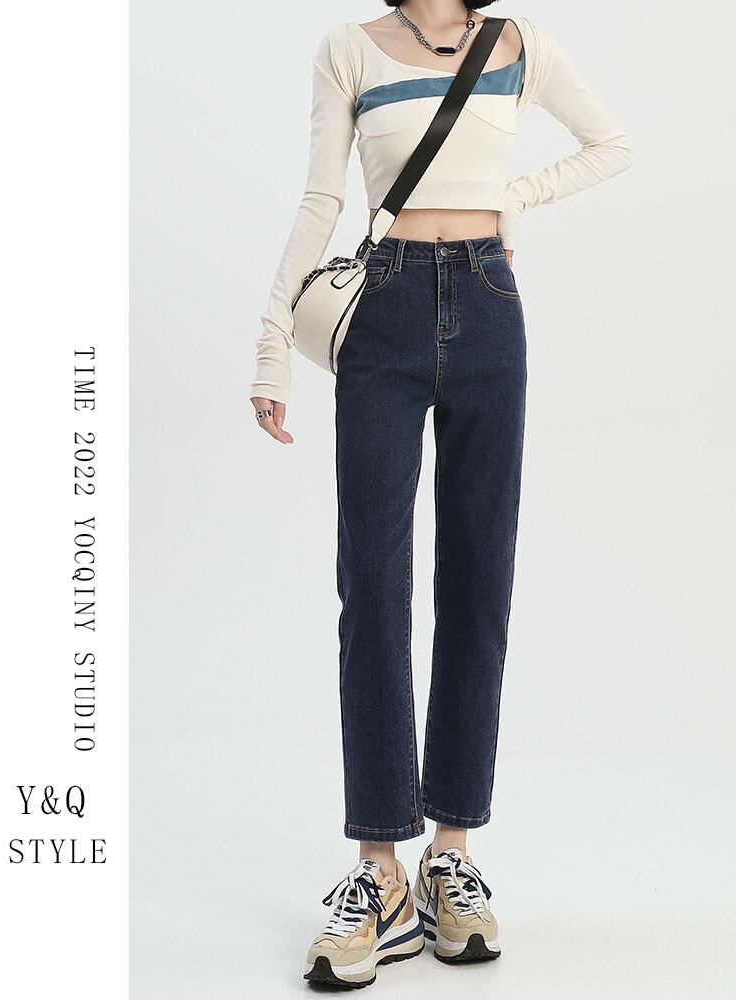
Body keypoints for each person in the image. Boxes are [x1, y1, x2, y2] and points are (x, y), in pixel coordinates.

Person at [250, 1, 633, 988]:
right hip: (381, 308)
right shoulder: (348, 49)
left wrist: (515, 201)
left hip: (491, 308)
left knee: (477, 583)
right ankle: (378, 869)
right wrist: (271, 343)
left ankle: (449, 856)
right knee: (372, 585)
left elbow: (611, 144)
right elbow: (319, 199)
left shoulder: (518, 45)